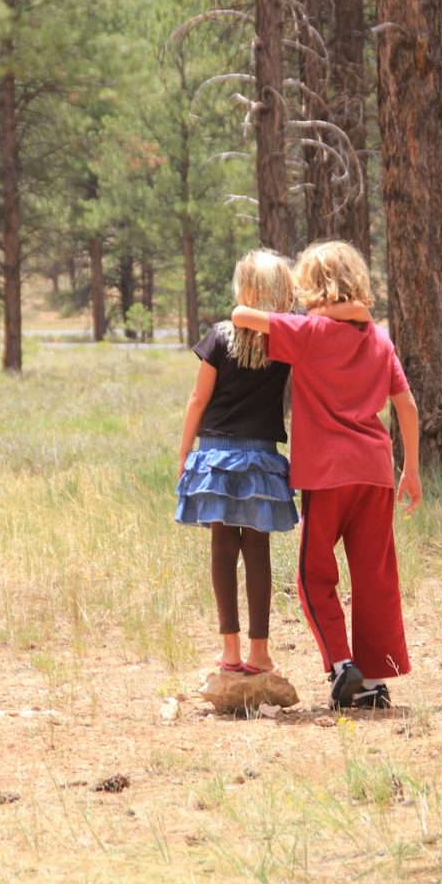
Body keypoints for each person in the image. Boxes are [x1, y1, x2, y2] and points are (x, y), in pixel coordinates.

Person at [232, 240, 422, 709]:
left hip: (327, 476)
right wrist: (411, 469)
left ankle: (342, 665)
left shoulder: (308, 332)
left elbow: (240, 315)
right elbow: (407, 405)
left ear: (312, 288)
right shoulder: (379, 338)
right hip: (377, 472)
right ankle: (376, 682)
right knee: (375, 575)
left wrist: (311, 312)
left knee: (314, 575)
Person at [175, 250, 298, 675]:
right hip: (261, 455)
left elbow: (198, 399)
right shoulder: (283, 342)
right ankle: (259, 653)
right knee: (258, 550)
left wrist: (184, 451)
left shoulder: (218, 337)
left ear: (244, 289)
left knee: (222, 548)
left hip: (214, 454)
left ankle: (230, 650)